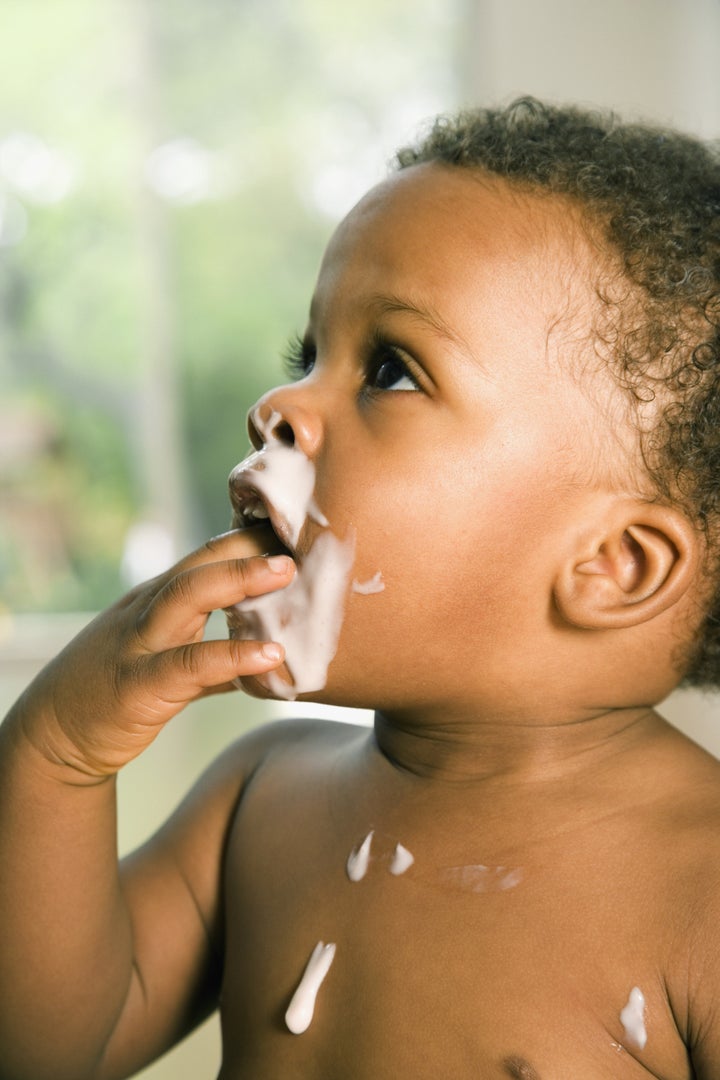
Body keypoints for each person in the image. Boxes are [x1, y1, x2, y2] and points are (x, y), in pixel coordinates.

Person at [1, 97, 720, 1080]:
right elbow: (45, 1050)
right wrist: (52, 758)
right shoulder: (260, 799)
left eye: (388, 368)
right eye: (307, 357)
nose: (278, 408)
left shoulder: (701, 896)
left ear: (612, 566)